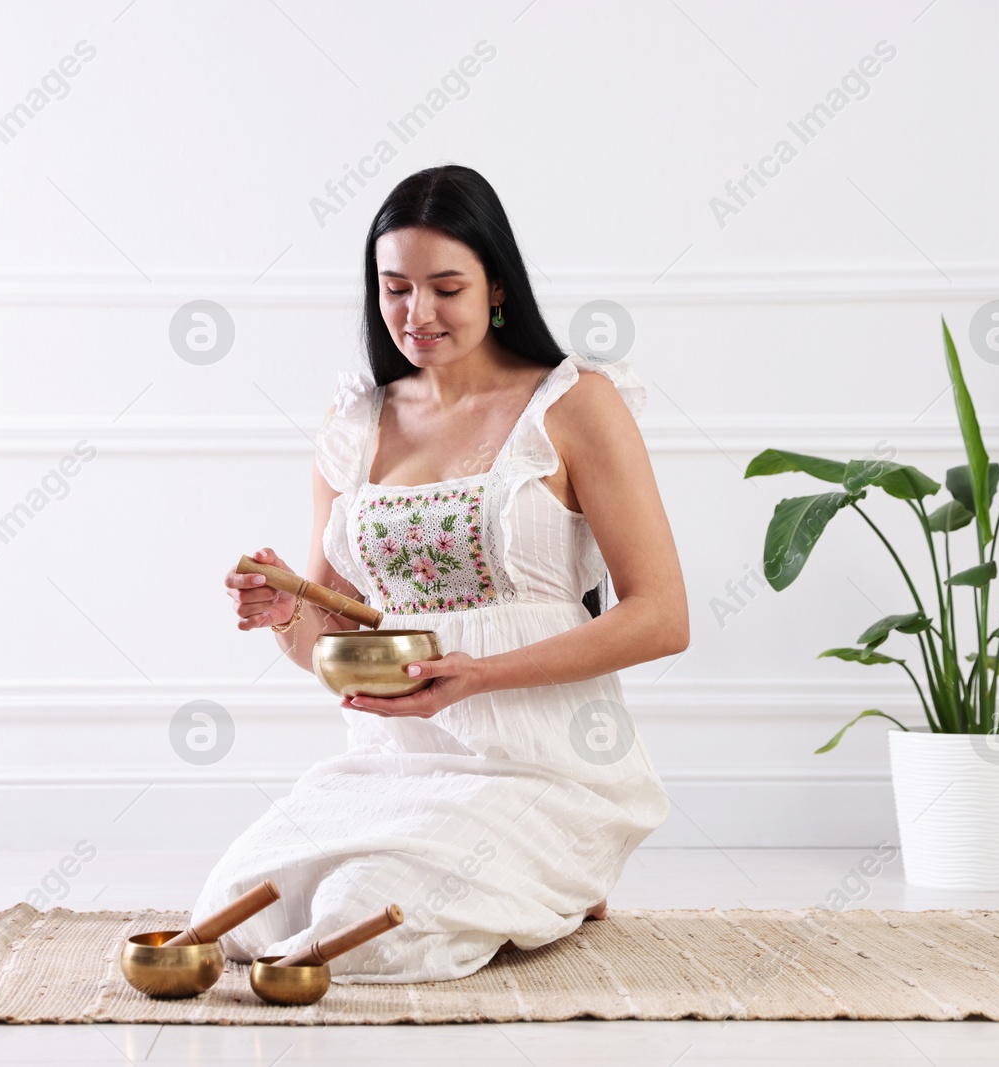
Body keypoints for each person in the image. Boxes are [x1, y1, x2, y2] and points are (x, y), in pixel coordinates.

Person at [195, 164, 689, 983]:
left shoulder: (574, 405)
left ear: (497, 286)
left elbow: (663, 615)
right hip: (394, 763)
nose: (415, 314)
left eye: (445, 287)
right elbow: (338, 637)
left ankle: (562, 878)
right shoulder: (355, 425)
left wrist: (478, 675)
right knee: (240, 908)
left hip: (541, 763)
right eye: (394, 289)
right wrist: (288, 612)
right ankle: (519, 888)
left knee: (366, 925)